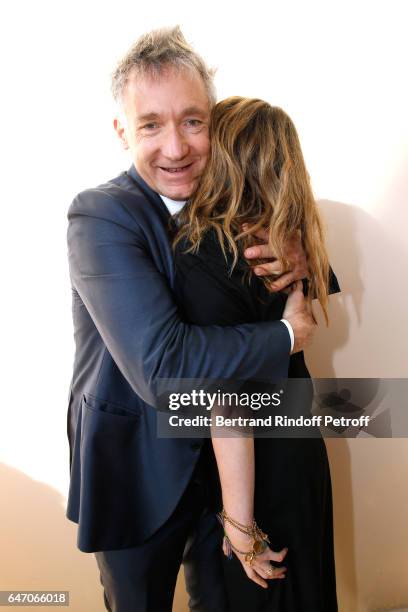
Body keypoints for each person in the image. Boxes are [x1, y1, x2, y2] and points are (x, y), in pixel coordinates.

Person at [66, 27, 315, 612]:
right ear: (122, 131)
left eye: (193, 122)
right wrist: (283, 334)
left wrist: (292, 256)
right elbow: (163, 366)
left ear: (217, 124)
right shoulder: (100, 215)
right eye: (150, 124)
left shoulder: (237, 209)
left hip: (230, 466)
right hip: (134, 467)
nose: (175, 148)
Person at [173, 97, 340, 610]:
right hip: (299, 448)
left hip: (248, 471)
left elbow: (228, 402)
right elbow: (303, 315)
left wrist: (240, 524)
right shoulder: (294, 238)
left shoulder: (203, 250)